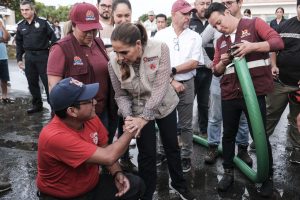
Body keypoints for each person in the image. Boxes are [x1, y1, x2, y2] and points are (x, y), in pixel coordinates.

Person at [109, 22, 196, 200]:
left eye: (124, 52)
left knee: (172, 147)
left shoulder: (160, 48)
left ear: (138, 45)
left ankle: (179, 184)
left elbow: (161, 86)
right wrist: (128, 117)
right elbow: (120, 95)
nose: (119, 57)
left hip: (164, 105)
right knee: (146, 154)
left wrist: (145, 117)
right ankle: (146, 193)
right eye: (116, 52)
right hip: (137, 109)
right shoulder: (112, 61)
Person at [205, 2, 284, 197]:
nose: (218, 28)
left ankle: (267, 177)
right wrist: (222, 63)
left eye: (219, 22)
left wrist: (252, 47)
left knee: (259, 134)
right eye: (214, 26)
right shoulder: (220, 42)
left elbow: (278, 42)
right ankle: (228, 172)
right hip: (230, 94)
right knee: (228, 134)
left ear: (227, 12)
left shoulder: (254, 24)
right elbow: (216, 71)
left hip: (254, 93)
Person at [36, 77, 145, 199]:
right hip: (62, 196)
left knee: (135, 185)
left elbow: (104, 147)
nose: (95, 102)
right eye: (88, 100)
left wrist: (117, 173)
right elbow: (109, 156)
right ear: (72, 111)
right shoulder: (55, 137)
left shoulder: (90, 118)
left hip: (91, 187)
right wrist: (133, 128)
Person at [47, 3, 117, 145]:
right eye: (85, 30)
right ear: (73, 25)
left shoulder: (98, 43)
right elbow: (54, 90)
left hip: (104, 110)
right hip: (80, 117)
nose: (91, 34)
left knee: (105, 146)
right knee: (86, 154)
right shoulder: (61, 48)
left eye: (94, 29)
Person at [201, 0, 253, 166]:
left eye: (229, 2)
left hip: (244, 79)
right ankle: (213, 146)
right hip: (221, 78)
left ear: (240, 3)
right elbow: (199, 42)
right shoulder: (214, 23)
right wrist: (210, 63)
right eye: (223, 2)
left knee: (244, 117)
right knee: (216, 115)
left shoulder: (249, 24)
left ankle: (242, 149)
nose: (226, 5)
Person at [154, 0, 203, 173]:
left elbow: (194, 62)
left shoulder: (195, 36)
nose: (188, 17)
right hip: (164, 84)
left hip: (187, 84)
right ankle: (161, 152)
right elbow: (155, 64)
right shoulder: (160, 36)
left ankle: (185, 156)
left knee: (186, 124)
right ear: (174, 14)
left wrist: (173, 71)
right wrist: (171, 80)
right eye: (184, 14)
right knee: (163, 120)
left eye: (189, 14)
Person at [267, 0, 300, 163]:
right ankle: (260, 142)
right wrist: (273, 65)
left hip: (299, 87)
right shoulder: (286, 26)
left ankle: (297, 148)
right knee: (270, 113)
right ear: (297, 8)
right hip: (280, 81)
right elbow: (274, 48)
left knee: (297, 119)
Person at [16, 0, 57, 114]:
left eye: (27, 9)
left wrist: (53, 55)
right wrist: (19, 59)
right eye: (22, 10)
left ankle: (53, 107)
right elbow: (19, 44)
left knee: (47, 83)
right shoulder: (20, 26)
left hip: (43, 56)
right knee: (32, 83)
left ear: (33, 10)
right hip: (29, 57)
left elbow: (54, 39)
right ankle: (37, 105)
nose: (24, 12)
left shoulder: (43, 22)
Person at [111, 0, 138, 173]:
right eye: (119, 15)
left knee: (128, 120)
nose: (123, 19)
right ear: (113, 16)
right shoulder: (101, 31)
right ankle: (110, 162)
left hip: (130, 88)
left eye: (127, 15)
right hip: (110, 85)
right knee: (111, 124)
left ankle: (125, 158)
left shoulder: (136, 34)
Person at [189, 0, 213, 139]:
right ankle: (182, 132)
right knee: (187, 102)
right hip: (192, 69)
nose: (205, 7)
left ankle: (203, 130)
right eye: (201, 3)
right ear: (195, 4)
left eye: (207, 3)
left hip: (209, 70)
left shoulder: (214, 20)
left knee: (204, 104)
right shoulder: (188, 21)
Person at [0, 18, 14, 103]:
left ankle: (4, 96)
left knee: (4, 78)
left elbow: (7, 38)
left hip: (2, 56)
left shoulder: (0, 21)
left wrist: (2, 27)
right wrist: (1, 39)